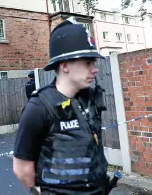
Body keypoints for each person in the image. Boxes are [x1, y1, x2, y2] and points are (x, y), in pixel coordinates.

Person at [13, 19, 110, 195]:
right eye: (88, 62)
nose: (95, 69)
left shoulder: (91, 99)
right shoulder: (38, 107)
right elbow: (22, 169)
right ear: (65, 65)